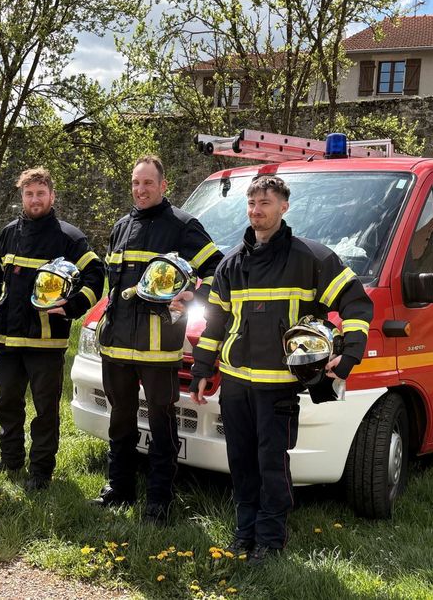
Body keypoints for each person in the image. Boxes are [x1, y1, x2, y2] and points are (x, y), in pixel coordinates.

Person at [188, 175, 373, 560]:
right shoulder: (231, 264)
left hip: (278, 387)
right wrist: (203, 369)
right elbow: (215, 324)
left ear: (284, 207)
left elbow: (356, 303)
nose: (256, 211)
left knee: (271, 464)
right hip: (235, 385)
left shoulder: (312, 259)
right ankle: (244, 534)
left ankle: (270, 541)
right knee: (241, 463)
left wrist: (351, 353)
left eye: (265, 203)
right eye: (251, 204)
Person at [93, 155, 223, 525]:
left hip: (158, 347)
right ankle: (118, 487)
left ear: (164, 185)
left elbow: (217, 269)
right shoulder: (121, 226)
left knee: (162, 424)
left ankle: (159, 500)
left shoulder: (182, 225)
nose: (141, 189)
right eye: (136, 183)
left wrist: (193, 297)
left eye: (148, 183)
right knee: (120, 418)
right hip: (116, 344)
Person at [0, 167, 105, 490]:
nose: (34, 199)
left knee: (45, 410)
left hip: (46, 342)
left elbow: (96, 276)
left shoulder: (69, 237)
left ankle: (40, 471)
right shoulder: (8, 233)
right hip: (8, 338)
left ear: (52, 196)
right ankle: (10, 460)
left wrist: (72, 307)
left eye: (40, 193)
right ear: (21, 197)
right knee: (8, 403)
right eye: (29, 194)